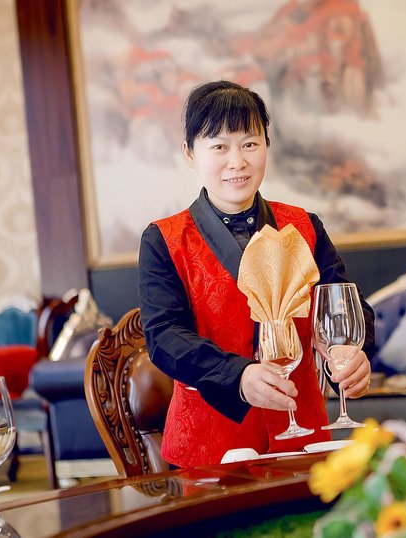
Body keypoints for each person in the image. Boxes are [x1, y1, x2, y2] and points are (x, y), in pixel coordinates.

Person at [138, 80, 376, 468]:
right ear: (189, 153)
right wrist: (239, 376)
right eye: (219, 147)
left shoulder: (304, 225)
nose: (237, 161)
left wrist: (353, 354)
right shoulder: (164, 239)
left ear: (266, 145)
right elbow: (164, 337)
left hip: (304, 439)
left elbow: (342, 303)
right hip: (209, 447)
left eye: (250, 144)